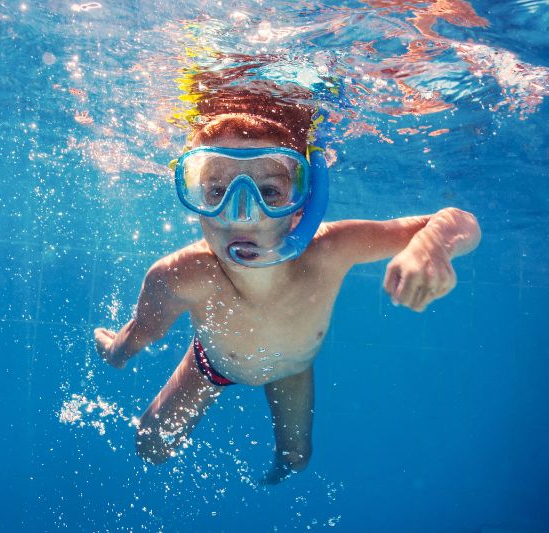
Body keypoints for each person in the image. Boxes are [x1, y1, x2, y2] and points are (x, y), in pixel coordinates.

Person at [93, 90, 481, 484]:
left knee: (296, 459)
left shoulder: (329, 249)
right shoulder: (180, 274)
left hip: (293, 369)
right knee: (150, 447)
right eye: (215, 191)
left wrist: (433, 244)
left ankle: (276, 476)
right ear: (194, 195)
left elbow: (459, 219)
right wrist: (117, 353)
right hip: (213, 365)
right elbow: (142, 330)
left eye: (269, 192)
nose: (240, 215)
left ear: (304, 202)